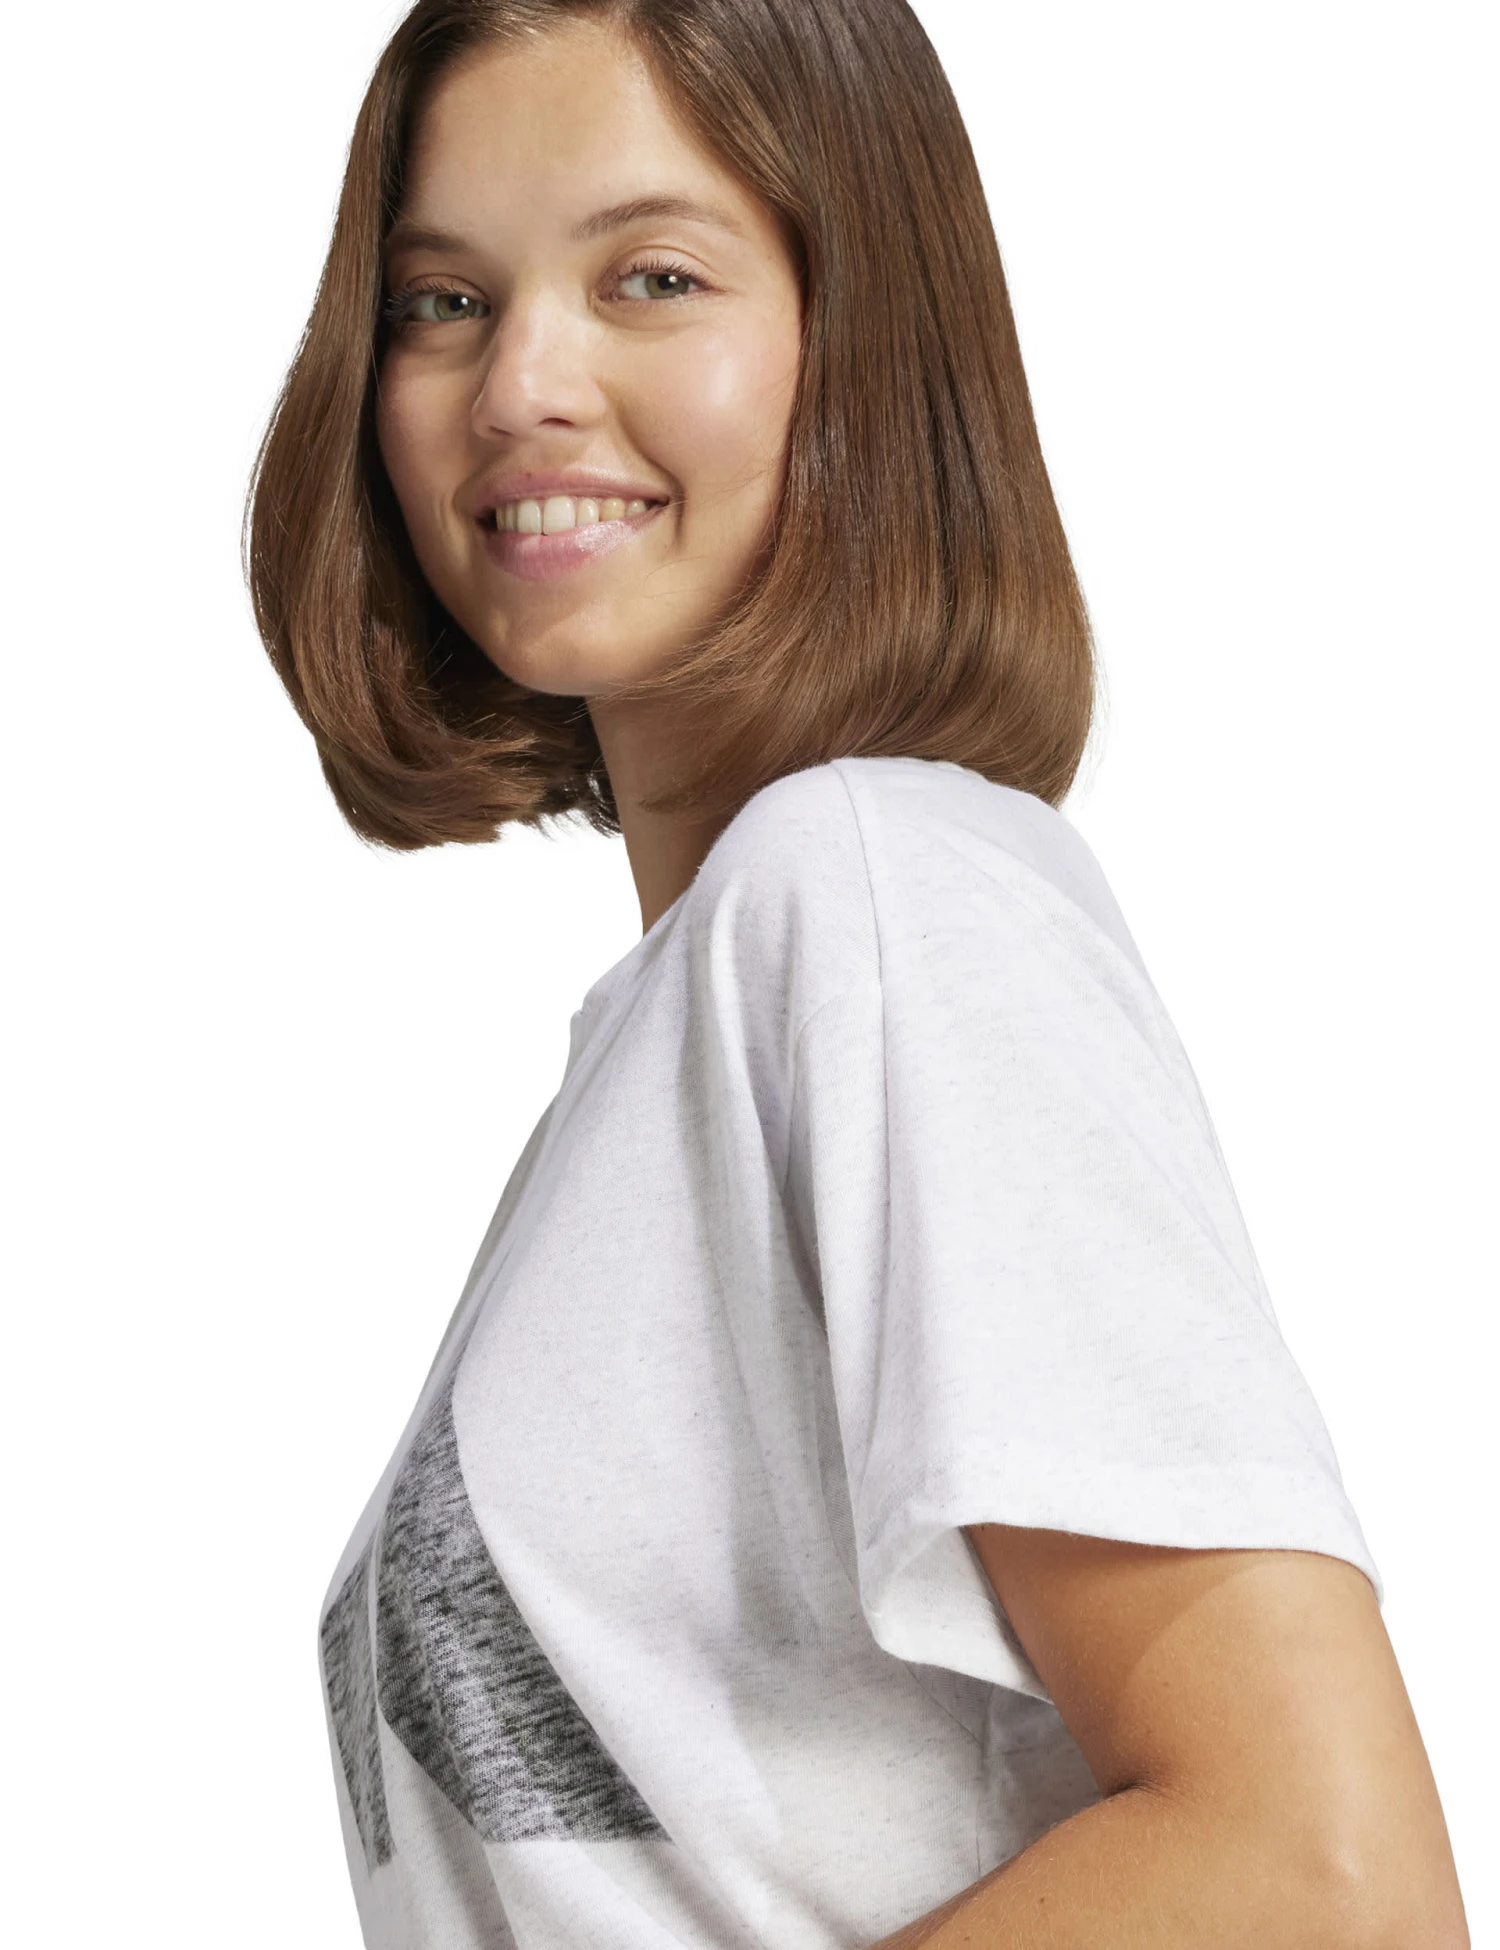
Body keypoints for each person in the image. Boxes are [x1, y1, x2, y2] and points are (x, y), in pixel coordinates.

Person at [244, 2, 1469, 1945]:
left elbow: (1324, 1876)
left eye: (651, 277)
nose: (520, 383)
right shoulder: (676, 1037)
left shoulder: (876, 894)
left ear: (866, 332)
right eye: (441, 302)